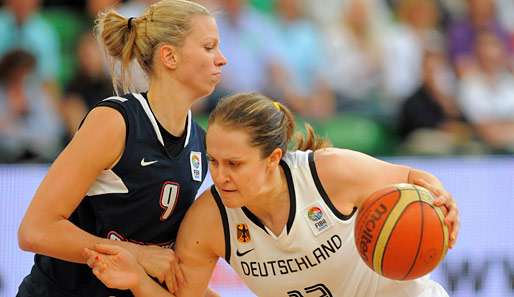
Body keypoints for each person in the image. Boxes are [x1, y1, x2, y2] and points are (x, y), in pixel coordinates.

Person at [84, 92, 460, 297]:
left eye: (235, 163)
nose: (221, 176)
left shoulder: (328, 172)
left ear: (273, 158)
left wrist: (441, 200)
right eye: (214, 161)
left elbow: (413, 176)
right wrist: (136, 280)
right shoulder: (209, 221)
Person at [17, 0, 227, 296]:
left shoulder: (199, 144)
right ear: (169, 56)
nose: (222, 59)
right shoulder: (116, 122)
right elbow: (35, 230)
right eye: (209, 47)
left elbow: (172, 273)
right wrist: (136, 255)